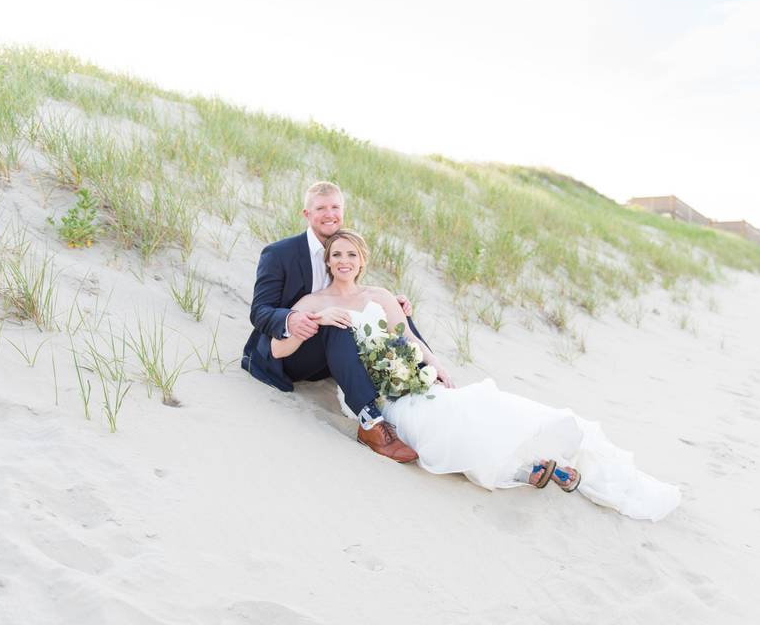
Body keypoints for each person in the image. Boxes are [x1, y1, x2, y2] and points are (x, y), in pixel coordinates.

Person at [272, 229, 681, 520]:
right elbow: (282, 345)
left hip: (411, 379)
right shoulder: (314, 300)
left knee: (465, 408)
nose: (344, 261)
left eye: (351, 254)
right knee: (433, 433)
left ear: (362, 260)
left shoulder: (380, 296)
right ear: (327, 262)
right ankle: (526, 467)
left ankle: (536, 461)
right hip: (375, 396)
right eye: (336, 255)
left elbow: (407, 338)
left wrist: (434, 365)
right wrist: (318, 317)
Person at [242, 182, 430, 463]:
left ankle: (427, 375)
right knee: (335, 322)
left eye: (335, 207)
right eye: (321, 208)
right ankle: (370, 422)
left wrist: (390, 302)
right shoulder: (279, 254)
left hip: (331, 358)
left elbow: (349, 291)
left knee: (393, 312)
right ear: (307, 213)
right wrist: (292, 319)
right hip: (288, 352)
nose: (329, 214)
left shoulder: (342, 246)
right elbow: (259, 310)